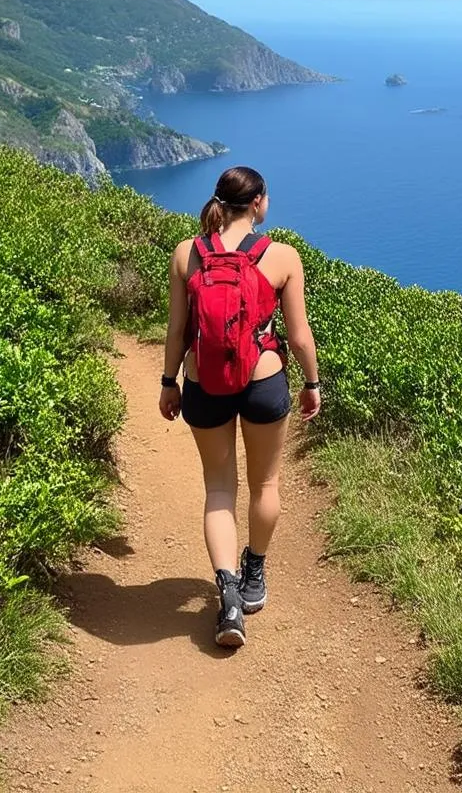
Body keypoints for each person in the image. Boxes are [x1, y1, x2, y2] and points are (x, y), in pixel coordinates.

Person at [158, 167, 321, 647]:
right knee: (265, 482)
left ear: (218, 203)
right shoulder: (283, 257)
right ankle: (254, 573)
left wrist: (170, 383)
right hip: (263, 380)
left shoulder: (187, 254)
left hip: (204, 382)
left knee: (218, 489)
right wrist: (313, 382)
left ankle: (227, 594)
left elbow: (175, 331)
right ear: (258, 204)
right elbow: (298, 335)